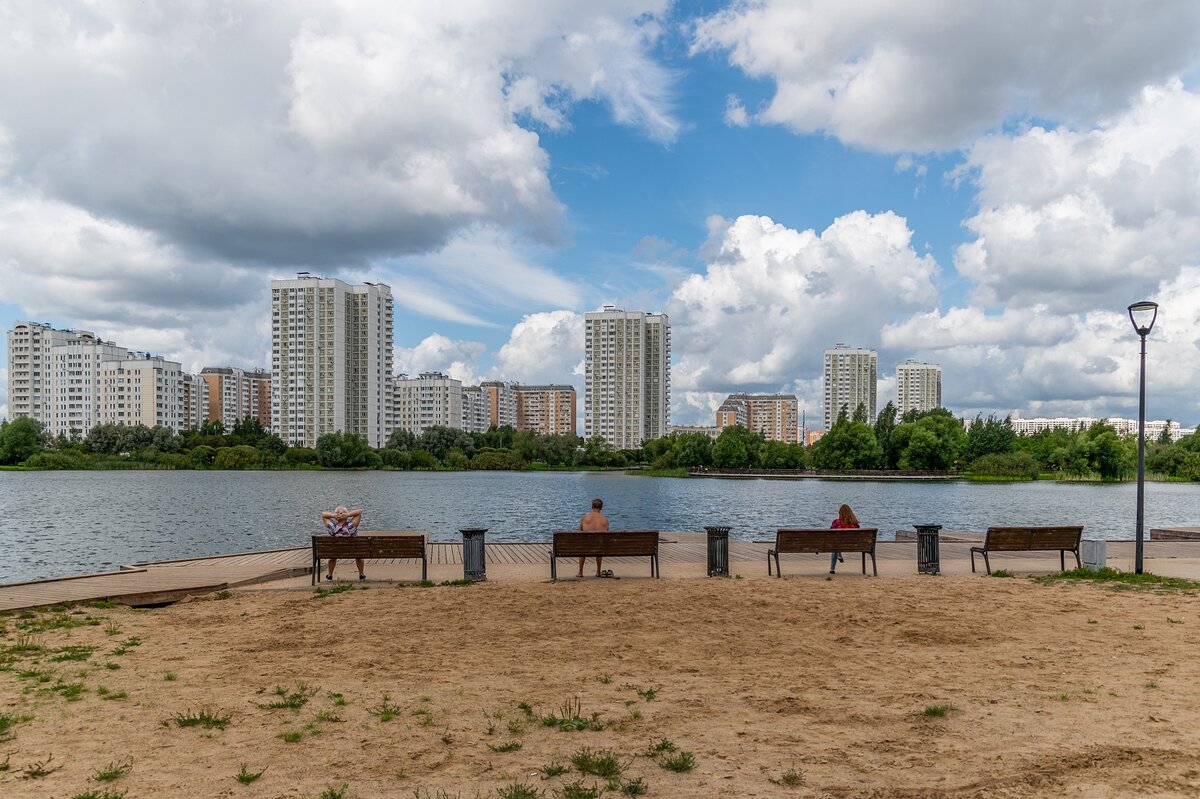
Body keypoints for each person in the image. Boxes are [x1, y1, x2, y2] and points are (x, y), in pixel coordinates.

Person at [321, 506, 365, 581]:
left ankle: (330, 575)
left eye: (341, 513)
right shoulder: (351, 526)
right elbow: (359, 512)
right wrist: (347, 514)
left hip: (336, 552)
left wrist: (334, 516)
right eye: (338, 513)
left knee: (332, 557)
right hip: (353, 552)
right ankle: (361, 575)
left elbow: (323, 514)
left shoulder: (333, 527)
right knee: (359, 556)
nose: (339, 514)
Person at [578, 497, 610, 578]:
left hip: (586, 546)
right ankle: (598, 571)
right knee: (599, 546)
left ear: (592, 507)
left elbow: (580, 532)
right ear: (601, 508)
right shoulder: (605, 520)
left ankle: (580, 572)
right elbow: (607, 534)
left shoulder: (585, 518)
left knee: (582, 548)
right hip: (599, 546)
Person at [829, 503, 859, 574]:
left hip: (838, 544)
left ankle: (832, 569)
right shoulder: (855, 523)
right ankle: (839, 553)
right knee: (838, 544)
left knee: (835, 547)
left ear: (840, 513)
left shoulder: (836, 522)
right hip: (853, 545)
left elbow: (830, 533)